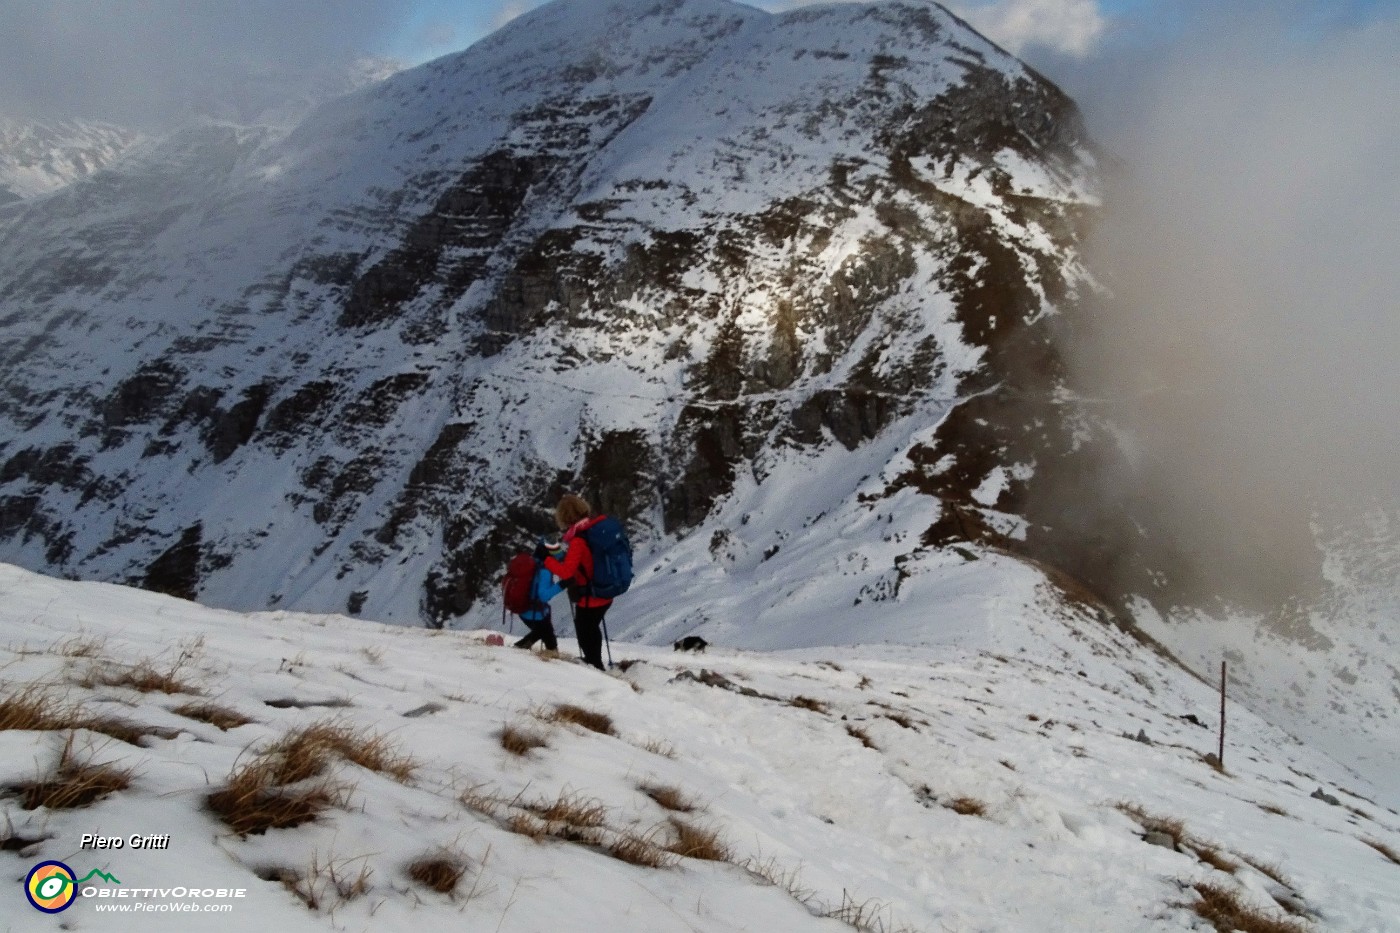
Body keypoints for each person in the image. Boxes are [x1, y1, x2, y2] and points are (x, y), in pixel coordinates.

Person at [539, 493, 611, 670]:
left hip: (590, 597)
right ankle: (596, 663)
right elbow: (580, 562)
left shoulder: (579, 540)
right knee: (592, 628)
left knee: (585, 632)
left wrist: (546, 559)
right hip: (605, 590)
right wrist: (559, 554)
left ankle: (595, 667)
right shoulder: (595, 529)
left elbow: (566, 572)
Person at [515, 541, 565, 651]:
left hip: (523, 608)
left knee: (541, 632)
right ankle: (520, 649)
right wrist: (562, 585)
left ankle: (520, 648)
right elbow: (544, 596)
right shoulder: (544, 571)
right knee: (549, 639)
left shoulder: (531, 563)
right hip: (536, 612)